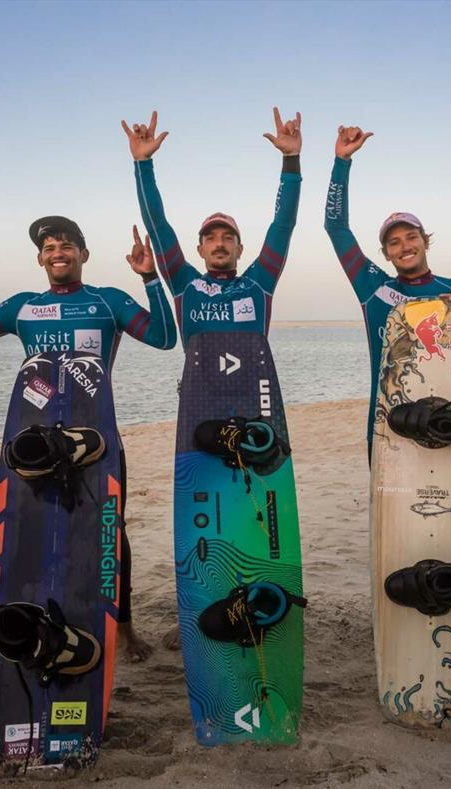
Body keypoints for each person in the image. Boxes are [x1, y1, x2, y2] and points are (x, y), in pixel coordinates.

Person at [0, 217, 177, 661]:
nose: (58, 252)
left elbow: (165, 338)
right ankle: (47, 615)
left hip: (99, 440)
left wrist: (150, 278)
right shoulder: (24, 307)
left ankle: (123, 627)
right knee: (36, 529)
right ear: (40, 258)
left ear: (83, 255)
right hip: (35, 443)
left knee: (110, 533)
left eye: (67, 245)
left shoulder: (107, 303)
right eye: (49, 246)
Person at [121, 108, 302, 647]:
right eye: (211, 237)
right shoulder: (184, 286)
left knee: (252, 517)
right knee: (206, 520)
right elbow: (159, 227)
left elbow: (284, 225)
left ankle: (259, 602)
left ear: (241, 249)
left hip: (258, 412)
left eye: (228, 236)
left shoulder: (260, 285)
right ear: (199, 250)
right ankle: (205, 609)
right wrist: (143, 168)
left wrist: (291, 161)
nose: (220, 242)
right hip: (197, 417)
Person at [324, 126, 451, 461]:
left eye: (411, 237)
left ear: (425, 240)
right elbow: (336, 228)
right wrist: (342, 162)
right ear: (386, 254)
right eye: (394, 242)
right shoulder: (375, 289)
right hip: (388, 422)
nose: (404, 246)